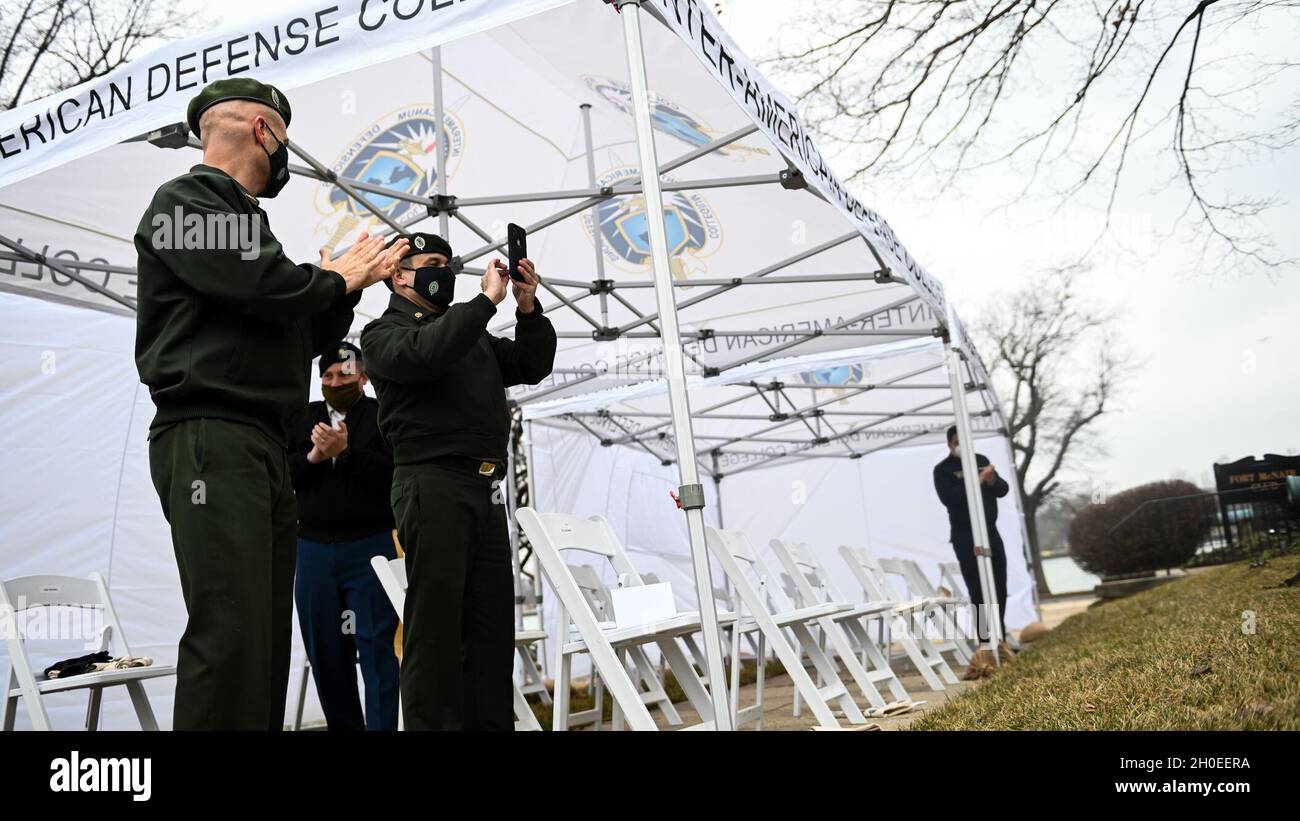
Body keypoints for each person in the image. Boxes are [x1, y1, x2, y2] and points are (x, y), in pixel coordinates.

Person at [134, 77, 408, 730]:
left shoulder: (240, 229)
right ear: (266, 131)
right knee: (229, 631)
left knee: (260, 640)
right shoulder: (187, 199)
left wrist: (333, 292)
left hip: (256, 443)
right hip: (211, 435)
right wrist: (332, 278)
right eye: (283, 138)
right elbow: (265, 286)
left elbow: (288, 331)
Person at [361, 232, 556, 730]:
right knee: (437, 630)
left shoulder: (465, 330)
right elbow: (426, 355)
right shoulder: (384, 334)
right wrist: (485, 302)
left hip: (485, 490)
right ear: (399, 274)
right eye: (431, 263)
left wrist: (528, 309)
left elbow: (531, 366)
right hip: (433, 483)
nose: (443, 272)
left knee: (490, 628)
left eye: (448, 263)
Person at [288, 341, 399, 731]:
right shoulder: (304, 419)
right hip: (313, 551)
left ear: (363, 377)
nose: (336, 381)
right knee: (326, 655)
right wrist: (315, 457)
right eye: (329, 375)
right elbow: (283, 476)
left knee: (377, 649)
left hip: (370, 549)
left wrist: (348, 452)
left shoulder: (382, 415)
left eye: (345, 374)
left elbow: (394, 473)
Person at [932, 425, 1010, 643]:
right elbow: (951, 498)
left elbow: (1002, 489)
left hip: (990, 533)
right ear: (949, 444)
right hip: (965, 536)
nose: (961, 447)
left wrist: (992, 480)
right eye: (957, 442)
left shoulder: (981, 460)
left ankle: (999, 637)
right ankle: (986, 640)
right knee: (978, 589)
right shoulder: (943, 470)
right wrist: (976, 480)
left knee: (999, 585)